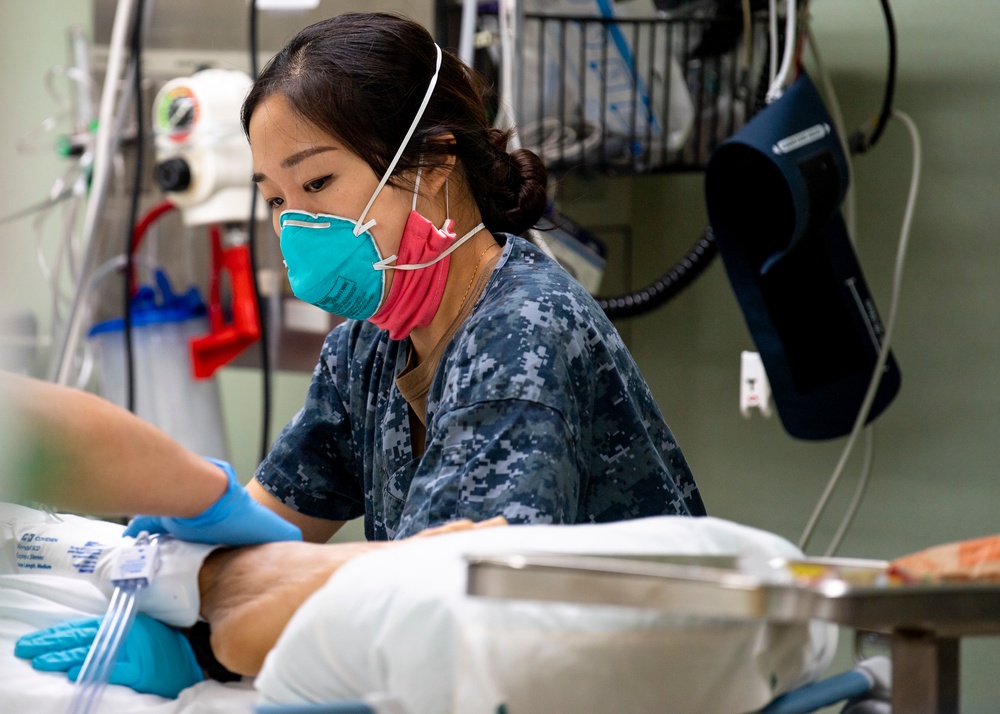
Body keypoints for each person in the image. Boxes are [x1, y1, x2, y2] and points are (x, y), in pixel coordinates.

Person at [230, 10, 706, 544]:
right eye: (274, 199)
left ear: (432, 163)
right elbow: (256, 533)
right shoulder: (364, 353)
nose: (294, 225)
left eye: (316, 182)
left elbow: (451, 585)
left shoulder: (521, 333)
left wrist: (252, 575)